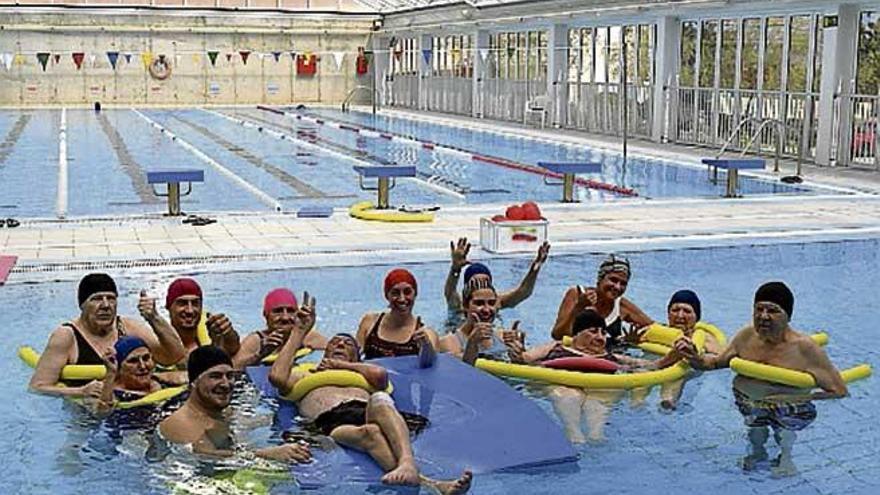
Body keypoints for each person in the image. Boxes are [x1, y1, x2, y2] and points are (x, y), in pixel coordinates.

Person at [268, 310, 472, 494]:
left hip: (367, 409)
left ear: (357, 356)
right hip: (329, 422)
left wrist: (342, 365)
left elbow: (380, 375)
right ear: (325, 351)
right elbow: (277, 378)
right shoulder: (305, 374)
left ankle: (407, 463)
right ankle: (434, 485)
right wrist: (298, 332)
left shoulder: (363, 374)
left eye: (347, 344)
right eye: (335, 342)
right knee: (371, 433)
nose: (340, 344)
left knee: (379, 398)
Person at [674, 282, 848, 476]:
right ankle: (758, 452)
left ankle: (786, 457)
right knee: (756, 432)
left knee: (784, 434)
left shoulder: (805, 349)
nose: (763, 316)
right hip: (748, 401)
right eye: (759, 309)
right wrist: (693, 356)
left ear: (787, 316)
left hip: (787, 408)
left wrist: (792, 399)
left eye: (772, 310)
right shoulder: (746, 336)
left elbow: (839, 391)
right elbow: (714, 364)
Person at [506, 310, 679, 443]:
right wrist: (516, 350)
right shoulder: (555, 347)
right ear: (577, 334)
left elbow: (653, 366)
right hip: (560, 382)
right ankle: (574, 435)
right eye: (593, 331)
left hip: (599, 389)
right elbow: (525, 360)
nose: (600, 337)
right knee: (568, 394)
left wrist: (674, 355)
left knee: (600, 401)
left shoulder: (612, 357)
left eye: (603, 333)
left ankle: (596, 437)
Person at [29, 273, 185, 399]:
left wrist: (154, 318)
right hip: (86, 414)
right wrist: (80, 392)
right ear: (82, 305)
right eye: (96, 299)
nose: (105, 305)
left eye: (111, 298)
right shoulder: (66, 336)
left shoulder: (128, 326)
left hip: (133, 403)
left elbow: (173, 356)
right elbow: (38, 387)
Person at [159, 346, 312, 462]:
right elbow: (206, 456)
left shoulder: (220, 412)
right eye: (215, 376)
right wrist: (268, 454)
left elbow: (243, 425)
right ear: (193, 383)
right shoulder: (181, 422)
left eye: (229, 376)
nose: (226, 384)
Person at [551, 254, 652, 347]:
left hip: (605, 360)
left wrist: (628, 342)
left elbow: (651, 326)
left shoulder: (621, 305)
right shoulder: (577, 294)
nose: (617, 287)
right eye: (613, 280)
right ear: (600, 279)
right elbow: (558, 335)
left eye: (623, 283)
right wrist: (578, 308)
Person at [444, 238, 550, 319]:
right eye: (476, 282)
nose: (482, 285)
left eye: (486, 282)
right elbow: (450, 291)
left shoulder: (496, 302)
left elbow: (523, 292)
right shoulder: (460, 305)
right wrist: (455, 269)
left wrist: (535, 269)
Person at [357, 269, 440, 367]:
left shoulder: (428, 334)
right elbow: (355, 357)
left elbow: (431, 368)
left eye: (407, 292)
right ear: (387, 295)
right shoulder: (369, 323)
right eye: (395, 293)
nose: (402, 299)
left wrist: (426, 347)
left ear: (415, 294)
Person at [654, 290, 722, 410]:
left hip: (684, 371)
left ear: (696, 317)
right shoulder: (657, 332)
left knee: (678, 373)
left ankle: (668, 400)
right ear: (668, 313)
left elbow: (722, 359)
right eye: (675, 310)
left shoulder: (703, 338)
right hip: (655, 366)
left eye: (687, 311)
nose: (680, 316)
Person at [89, 336, 187, 415]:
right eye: (133, 361)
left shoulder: (162, 379)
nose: (143, 366)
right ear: (119, 368)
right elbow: (101, 414)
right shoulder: (110, 393)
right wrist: (110, 374)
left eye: (146, 358)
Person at [233, 288, 326, 368]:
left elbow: (333, 355)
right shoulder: (256, 341)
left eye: (290, 311)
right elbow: (233, 368)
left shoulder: (309, 337)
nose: (285, 317)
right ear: (266, 315)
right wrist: (260, 355)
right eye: (278, 311)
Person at [440, 277, 523, 366]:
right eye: (479, 303)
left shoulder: (503, 338)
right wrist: (472, 343)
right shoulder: (449, 343)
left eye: (491, 303)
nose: (487, 310)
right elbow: (459, 375)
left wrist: (519, 357)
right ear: (465, 305)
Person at [165, 278, 241, 367]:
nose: (190, 310)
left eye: (195, 303)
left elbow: (233, 347)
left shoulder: (211, 330)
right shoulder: (158, 345)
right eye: (182, 303)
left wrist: (228, 332)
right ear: (168, 307)